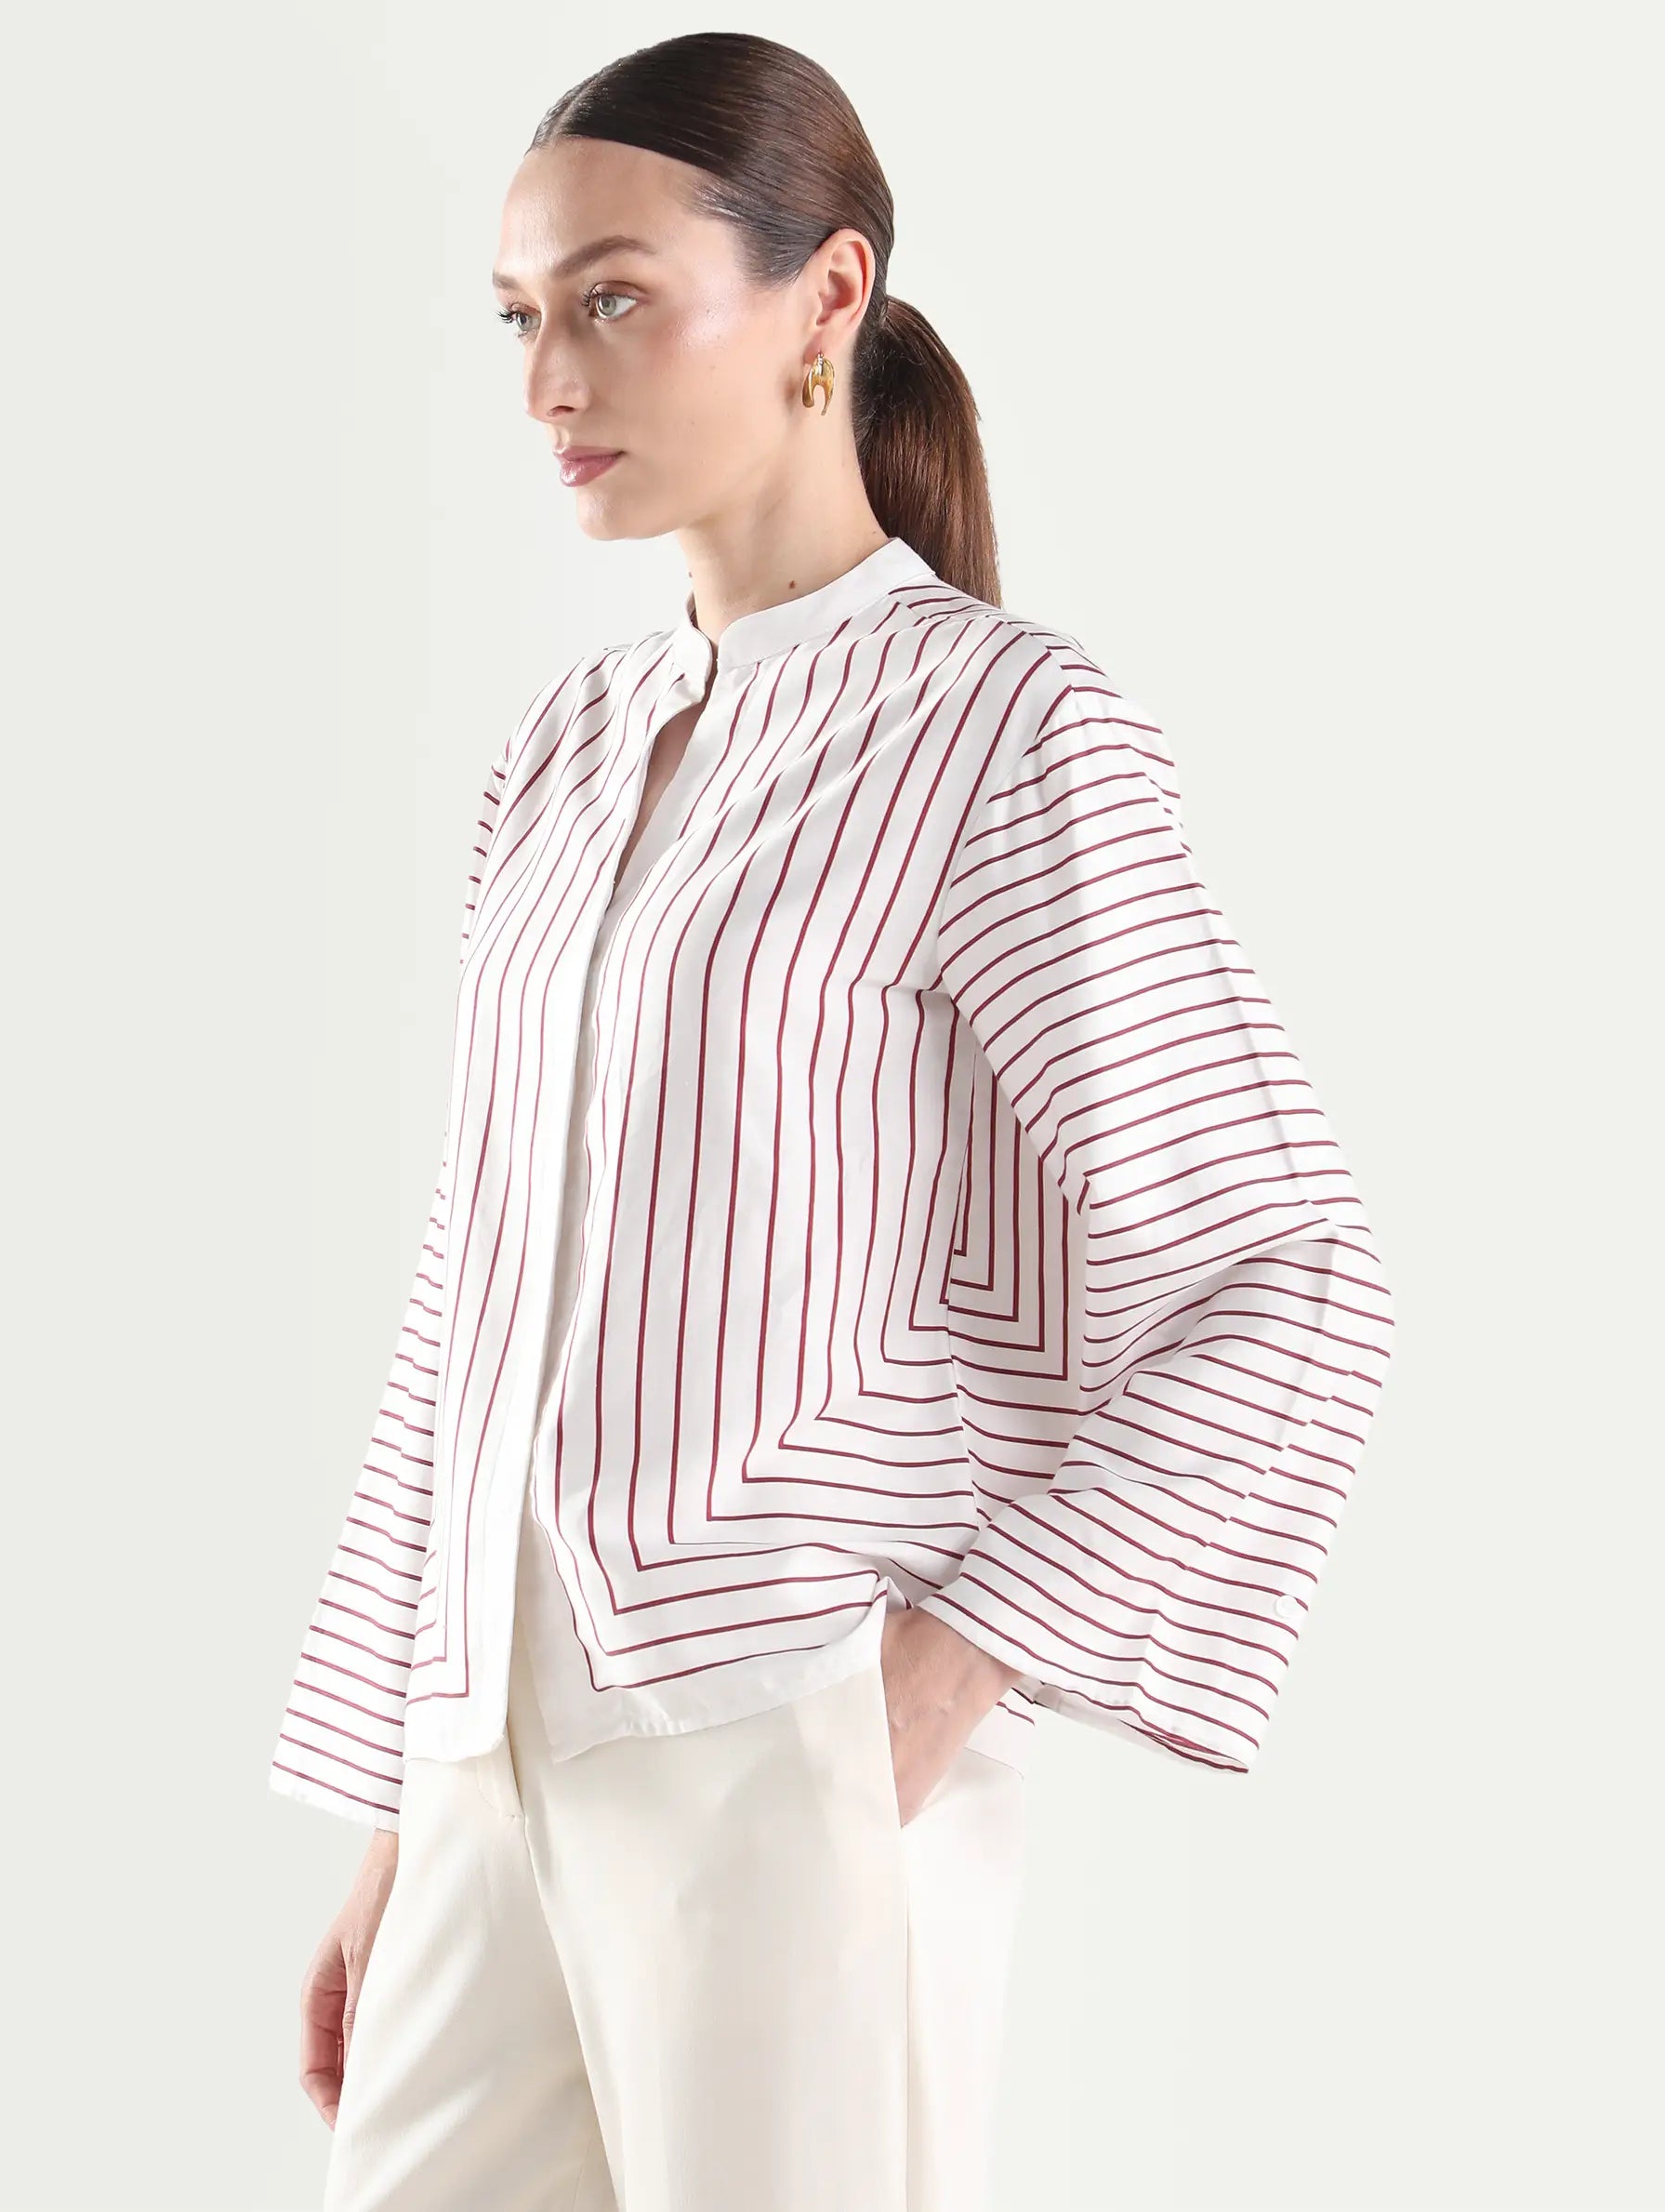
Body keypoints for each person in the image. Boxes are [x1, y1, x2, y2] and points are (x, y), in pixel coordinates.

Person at [268, 31, 1397, 2211]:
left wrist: (935, 1679)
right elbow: (476, 1286)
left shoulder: (1003, 725)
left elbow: (1289, 1279)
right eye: (521, 316)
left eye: (615, 298)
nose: (550, 382)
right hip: (492, 1757)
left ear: (826, 296)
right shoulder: (566, 753)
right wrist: (408, 1800)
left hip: (782, 1745)